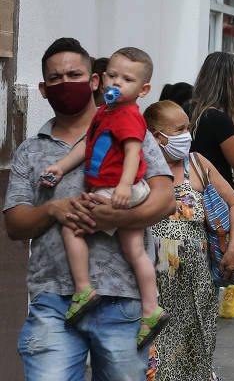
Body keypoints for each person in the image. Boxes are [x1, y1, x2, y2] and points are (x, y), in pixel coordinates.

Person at [4, 37, 175, 379]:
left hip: (123, 299)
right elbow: (15, 223)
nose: (65, 83)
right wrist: (54, 210)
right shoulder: (30, 150)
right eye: (55, 78)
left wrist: (118, 215)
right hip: (53, 300)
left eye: (74, 74)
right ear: (43, 89)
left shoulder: (132, 129)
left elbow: (164, 199)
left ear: (93, 81)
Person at [41, 47, 170, 349]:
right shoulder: (104, 113)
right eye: (112, 75)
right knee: (134, 251)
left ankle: (83, 289)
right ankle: (152, 310)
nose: (116, 83)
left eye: (127, 79)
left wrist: (124, 186)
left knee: (72, 226)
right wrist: (60, 167)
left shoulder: (126, 115)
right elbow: (87, 144)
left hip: (116, 190)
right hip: (118, 188)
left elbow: (133, 152)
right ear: (100, 79)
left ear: (143, 90)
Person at [144, 100, 234, 380]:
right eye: (179, 129)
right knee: (154, 361)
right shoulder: (139, 168)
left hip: (197, 287)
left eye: (188, 127)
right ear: (156, 136)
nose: (186, 135)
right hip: (153, 286)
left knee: (196, 356)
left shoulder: (197, 164)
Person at [188, 52, 234, 195]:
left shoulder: (186, 109)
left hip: (191, 197)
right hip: (215, 203)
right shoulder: (217, 118)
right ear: (229, 81)